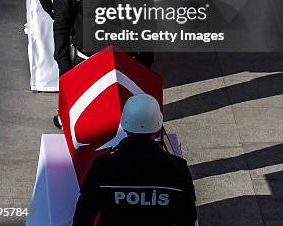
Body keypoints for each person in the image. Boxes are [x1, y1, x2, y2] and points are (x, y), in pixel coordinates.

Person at [73, 94, 198, 226]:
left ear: (125, 127)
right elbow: (188, 218)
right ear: (157, 129)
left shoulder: (103, 165)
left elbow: (83, 217)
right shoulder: (178, 167)